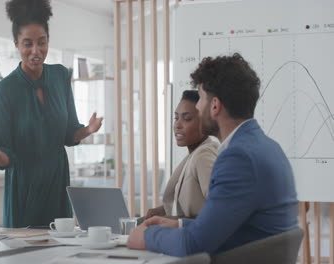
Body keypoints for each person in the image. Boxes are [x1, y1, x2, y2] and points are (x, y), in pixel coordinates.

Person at [127, 53, 299, 257]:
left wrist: (147, 236)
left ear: (215, 106)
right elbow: (236, 228)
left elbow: (194, 244)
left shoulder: (237, 158)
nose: (198, 107)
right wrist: (180, 224)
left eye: (200, 98)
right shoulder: (268, 147)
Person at [0, 0, 103, 228]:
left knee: (60, 251)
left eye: (41, 43)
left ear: (48, 41)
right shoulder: (5, 90)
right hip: (25, 188)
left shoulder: (60, 76)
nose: (36, 51)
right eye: (28, 44)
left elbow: (68, 134)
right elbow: (5, 156)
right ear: (16, 44)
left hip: (57, 183)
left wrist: (88, 130)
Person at [146, 90, 218, 220]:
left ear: (204, 122)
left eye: (187, 119)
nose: (177, 125)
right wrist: (162, 211)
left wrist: (175, 222)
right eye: (176, 118)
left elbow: (219, 211)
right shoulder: (194, 154)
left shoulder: (203, 155)